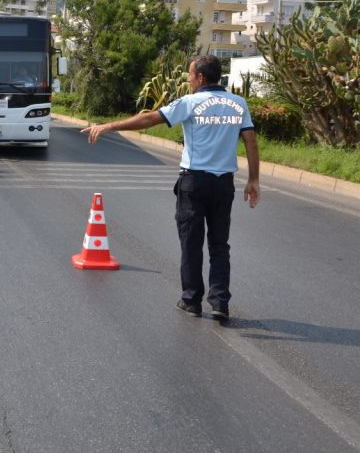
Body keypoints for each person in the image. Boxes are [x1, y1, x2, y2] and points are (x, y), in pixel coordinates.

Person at [81, 54, 260, 321]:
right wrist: (254, 180)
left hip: (194, 182)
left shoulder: (190, 102)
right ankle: (220, 302)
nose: (188, 80)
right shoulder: (238, 103)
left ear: (200, 78)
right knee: (220, 245)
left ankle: (191, 300)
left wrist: (109, 126)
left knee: (191, 242)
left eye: (190, 75)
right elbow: (250, 141)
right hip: (223, 184)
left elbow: (149, 119)